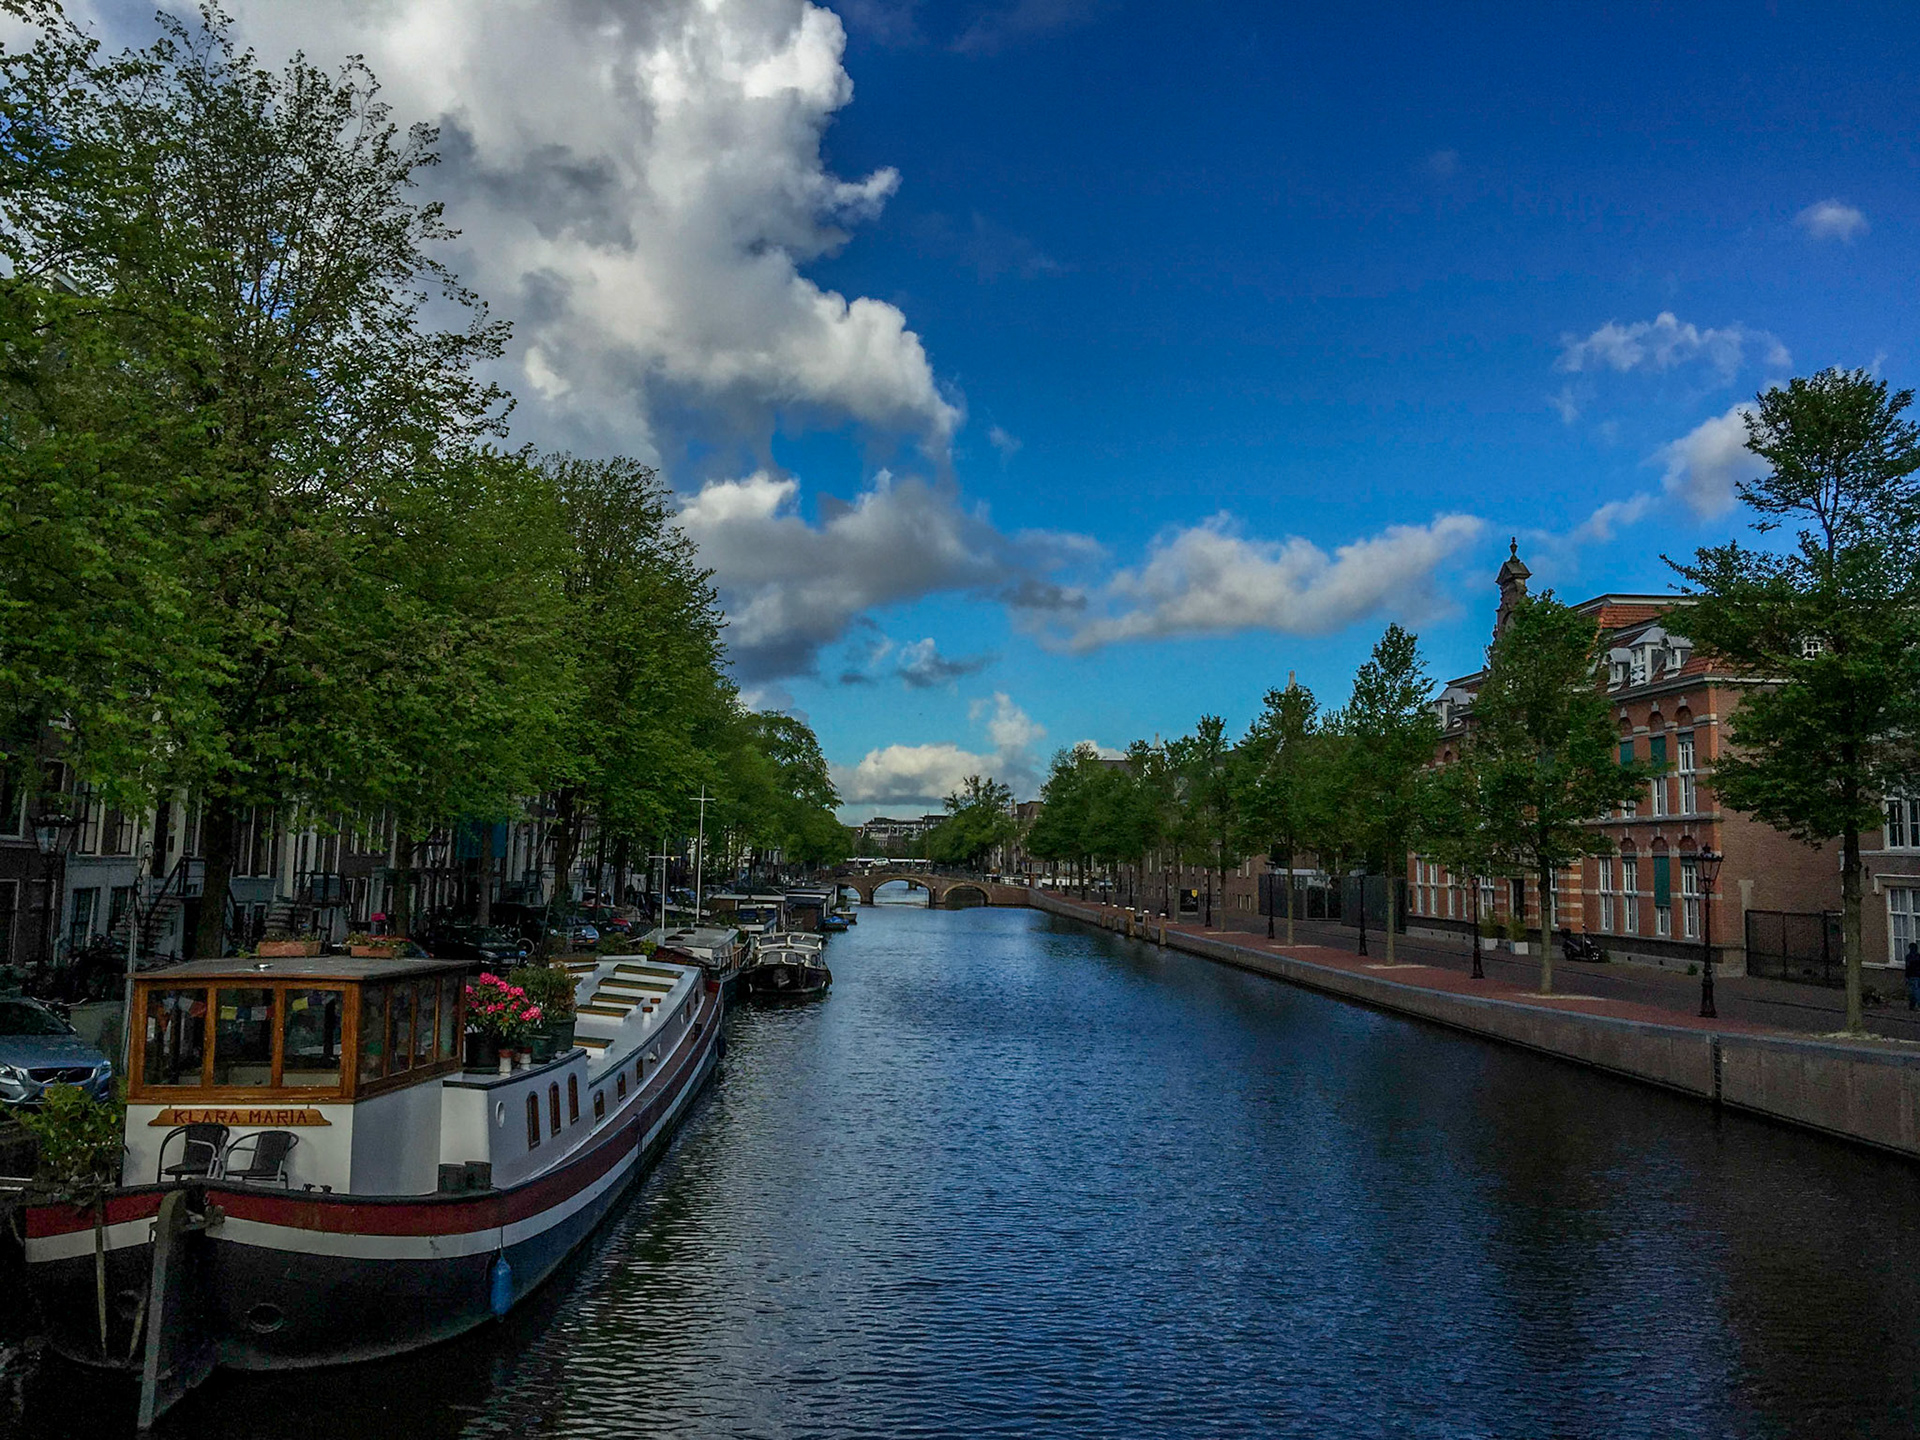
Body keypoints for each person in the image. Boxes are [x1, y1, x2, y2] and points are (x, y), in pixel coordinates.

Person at [1907, 940, 1920, 1011]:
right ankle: (1912, 1005)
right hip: (1918, 975)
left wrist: (1906, 977)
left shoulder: (1909, 957)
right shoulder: (1919, 956)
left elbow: (1908, 967)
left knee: (1914, 992)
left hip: (1912, 976)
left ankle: (1915, 1005)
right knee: (1916, 991)